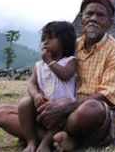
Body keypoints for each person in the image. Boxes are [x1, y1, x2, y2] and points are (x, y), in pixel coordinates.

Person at [0, 0, 115, 151]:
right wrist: (45, 101)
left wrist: (67, 106)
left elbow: (106, 96)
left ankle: (63, 140)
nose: (93, 18)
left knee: (91, 108)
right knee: (2, 113)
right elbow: (45, 72)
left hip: (91, 113)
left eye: (101, 15)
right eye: (89, 14)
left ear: (110, 23)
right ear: (82, 19)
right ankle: (59, 140)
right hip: (58, 108)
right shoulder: (70, 46)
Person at [19, 21, 77, 152]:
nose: (45, 42)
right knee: (24, 104)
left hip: (62, 110)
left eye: (50, 38)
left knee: (60, 118)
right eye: (43, 39)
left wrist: (49, 61)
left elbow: (66, 75)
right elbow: (32, 84)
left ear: (64, 40)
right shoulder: (39, 65)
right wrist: (35, 95)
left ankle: (45, 143)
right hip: (43, 106)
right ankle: (31, 141)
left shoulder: (70, 61)